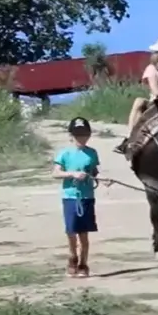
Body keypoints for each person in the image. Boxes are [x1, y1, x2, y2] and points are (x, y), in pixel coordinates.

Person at [51, 117, 100, 278]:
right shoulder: (64, 153)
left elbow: (94, 171)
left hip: (87, 197)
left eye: (85, 134)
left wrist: (96, 178)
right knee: (71, 231)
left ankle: (83, 264)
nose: (81, 138)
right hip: (70, 197)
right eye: (78, 134)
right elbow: (55, 173)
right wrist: (72, 173)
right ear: (71, 135)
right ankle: (72, 257)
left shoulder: (92, 153)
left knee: (84, 233)